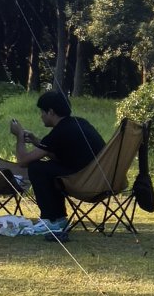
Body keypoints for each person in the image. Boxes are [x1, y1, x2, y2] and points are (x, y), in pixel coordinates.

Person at [9, 87, 104, 234]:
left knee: (37, 168)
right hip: (100, 177)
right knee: (50, 168)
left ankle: (51, 219)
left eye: (42, 112)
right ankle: (58, 219)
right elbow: (60, 155)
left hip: (84, 182)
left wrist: (19, 135)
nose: (41, 116)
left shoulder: (59, 132)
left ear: (51, 112)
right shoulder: (79, 123)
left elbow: (23, 161)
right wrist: (36, 142)